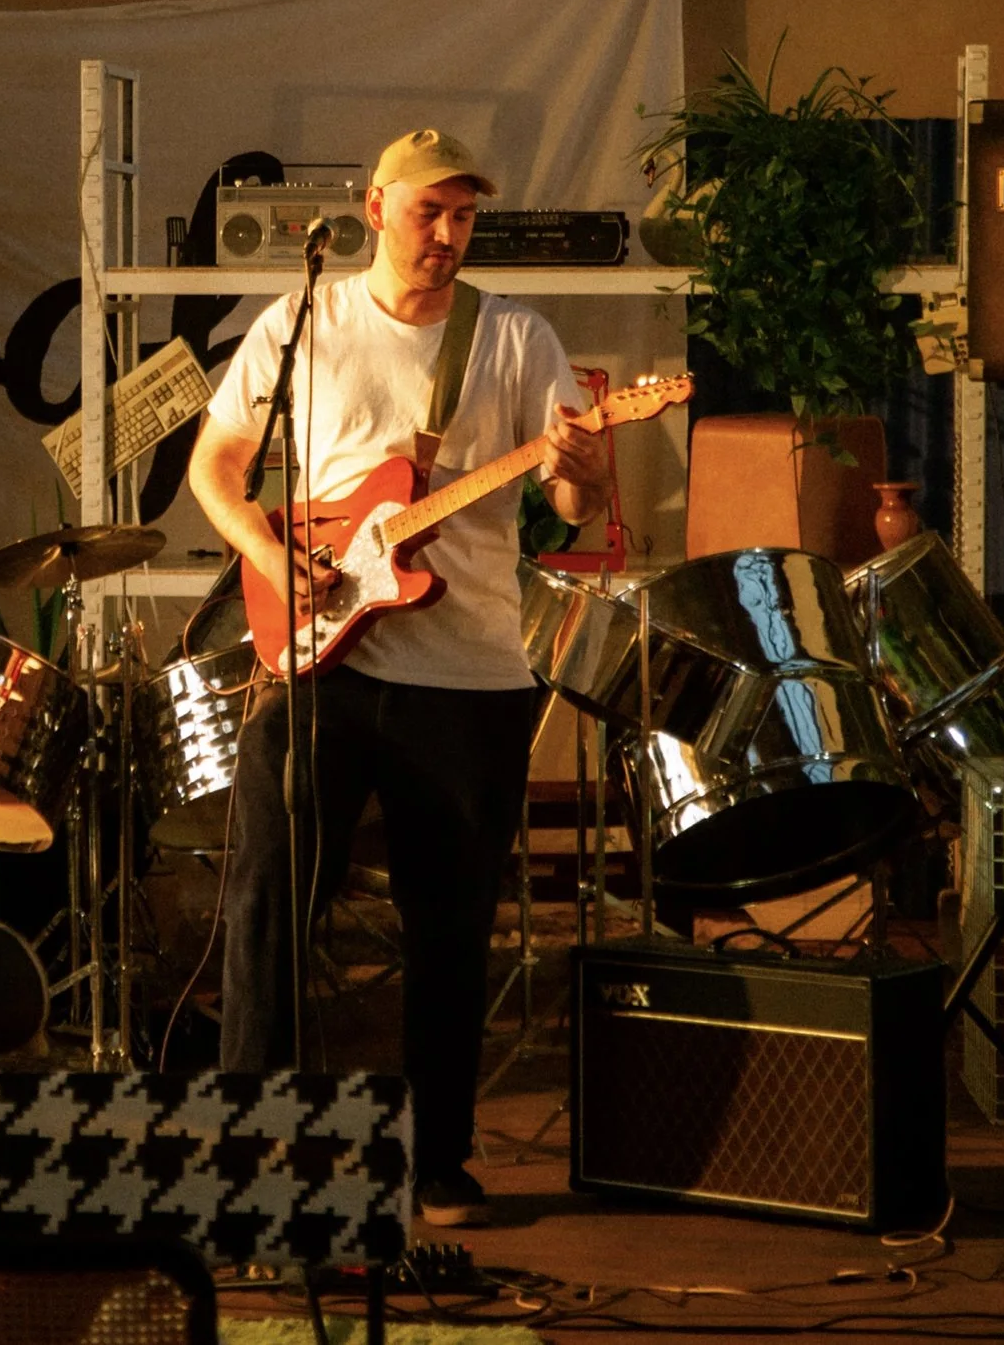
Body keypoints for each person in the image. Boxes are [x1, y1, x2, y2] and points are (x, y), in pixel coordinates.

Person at [185, 127, 609, 1229]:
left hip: (467, 676)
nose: (447, 234)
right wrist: (276, 559)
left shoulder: (513, 338)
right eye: (429, 212)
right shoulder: (299, 323)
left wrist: (583, 468)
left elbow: (574, 508)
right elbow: (216, 467)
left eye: (464, 216)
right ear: (375, 210)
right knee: (268, 907)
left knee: (451, 926)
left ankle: (437, 1162)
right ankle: (243, 1159)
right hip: (314, 666)